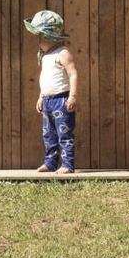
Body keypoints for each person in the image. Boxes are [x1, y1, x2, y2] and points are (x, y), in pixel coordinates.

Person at [24, 9, 78, 174]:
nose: (39, 41)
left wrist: (73, 96)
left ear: (51, 37)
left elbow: (73, 74)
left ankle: (67, 164)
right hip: (47, 101)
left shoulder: (63, 53)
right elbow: (45, 79)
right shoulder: (46, 55)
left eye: (41, 37)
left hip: (61, 100)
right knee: (49, 134)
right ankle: (50, 162)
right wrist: (41, 97)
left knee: (64, 134)